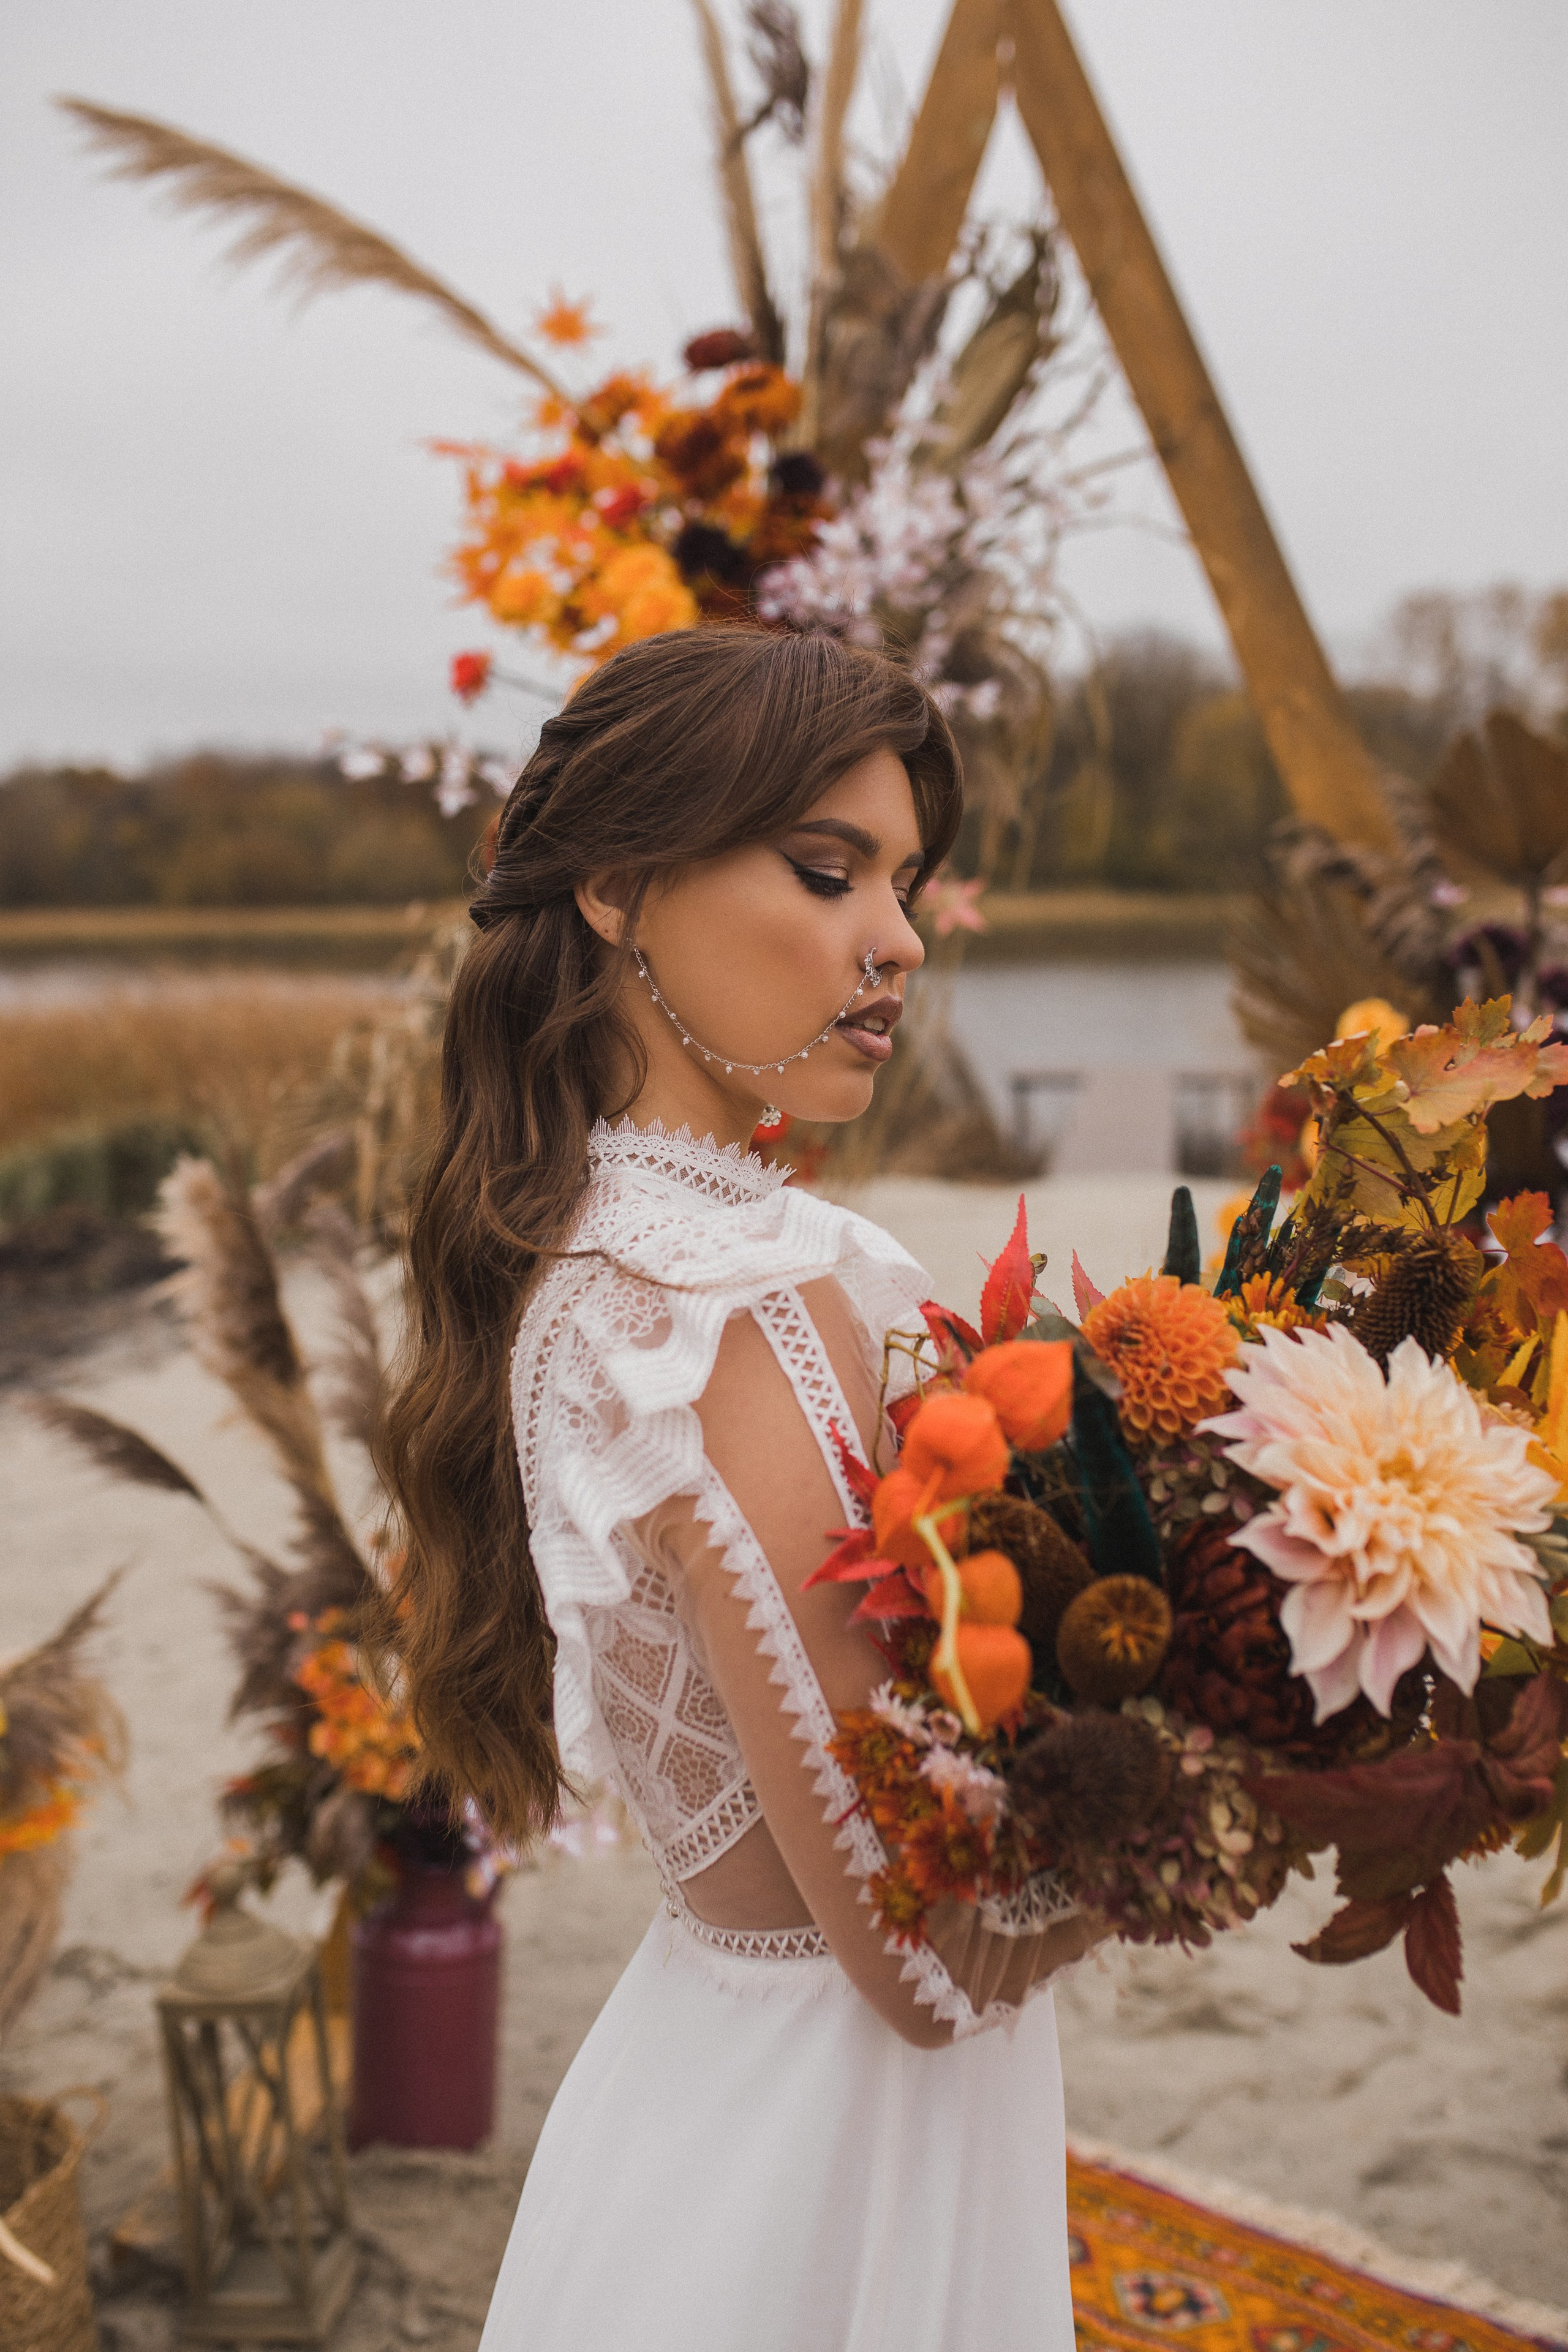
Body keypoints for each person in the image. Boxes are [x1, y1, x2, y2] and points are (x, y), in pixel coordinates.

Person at [381, 627, 1099, 2351]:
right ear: (621, 884)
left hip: (708, 2085)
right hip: (816, 2172)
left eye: (908, 884)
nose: (901, 940)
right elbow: (921, 1958)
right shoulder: (710, 1307)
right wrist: (1266, 1755)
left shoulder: (598, 1259)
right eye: (828, 870)